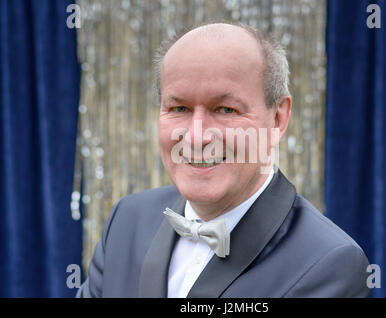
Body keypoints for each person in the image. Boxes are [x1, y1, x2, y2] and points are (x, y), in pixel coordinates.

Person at [77, 22, 370, 298]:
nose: (197, 137)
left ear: (278, 119)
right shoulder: (127, 219)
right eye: (179, 108)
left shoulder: (329, 263)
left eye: (226, 110)